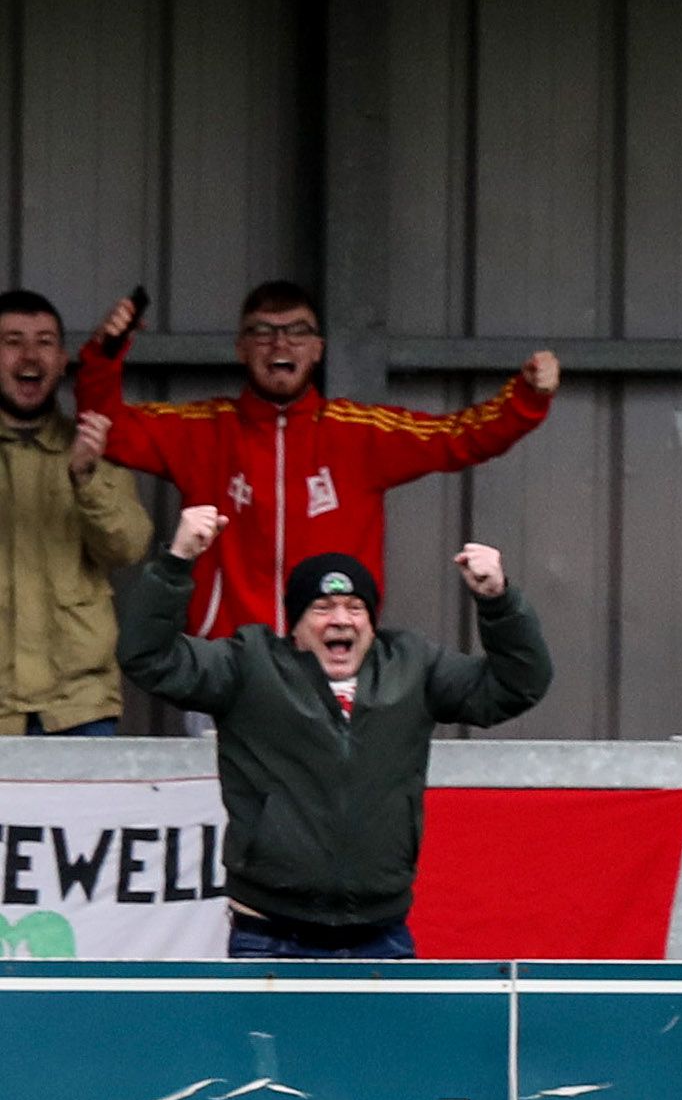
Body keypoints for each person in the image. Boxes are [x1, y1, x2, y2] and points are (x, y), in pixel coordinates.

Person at [116, 505, 552, 958]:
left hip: (380, 934)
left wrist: (498, 601)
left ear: (370, 621)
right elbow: (148, 657)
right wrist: (178, 560)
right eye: (322, 608)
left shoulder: (413, 666)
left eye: (354, 607)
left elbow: (517, 685)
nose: (340, 620)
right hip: (269, 934)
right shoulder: (249, 665)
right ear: (297, 625)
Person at [79, 281, 559, 640]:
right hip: (224, 667)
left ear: (318, 350)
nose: (280, 344)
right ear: (241, 349)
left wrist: (528, 396)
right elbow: (104, 427)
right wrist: (105, 354)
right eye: (263, 332)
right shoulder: (202, 428)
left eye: (297, 332)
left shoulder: (359, 432)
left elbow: (462, 437)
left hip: (333, 662)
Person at [0, 290, 148, 735]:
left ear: (63, 360)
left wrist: (86, 478)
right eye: (12, 341)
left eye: (45, 342)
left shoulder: (92, 444)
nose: (31, 355)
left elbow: (129, 546)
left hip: (79, 707)